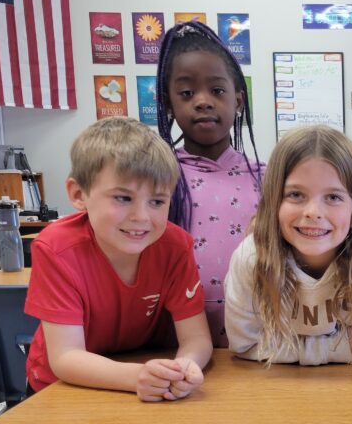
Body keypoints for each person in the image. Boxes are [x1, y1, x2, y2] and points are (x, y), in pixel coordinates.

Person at [25, 117, 213, 401]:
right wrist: (137, 377)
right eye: (123, 198)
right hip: (62, 388)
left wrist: (184, 368)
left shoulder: (176, 247)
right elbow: (66, 357)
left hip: (143, 378)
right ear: (79, 194)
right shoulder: (55, 249)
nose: (142, 217)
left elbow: (196, 338)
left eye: (157, 201)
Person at [224, 125, 352, 365]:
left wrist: (286, 348)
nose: (313, 212)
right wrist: (335, 349)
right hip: (272, 383)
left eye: (333, 197)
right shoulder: (251, 258)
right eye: (296, 195)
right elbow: (244, 344)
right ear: (273, 202)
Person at [156, 20, 265, 348]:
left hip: (259, 339)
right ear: (168, 104)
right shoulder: (158, 177)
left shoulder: (268, 178)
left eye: (217, 91)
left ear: (239, 101)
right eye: (187, 93)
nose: (202, 101)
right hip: (176, 341)